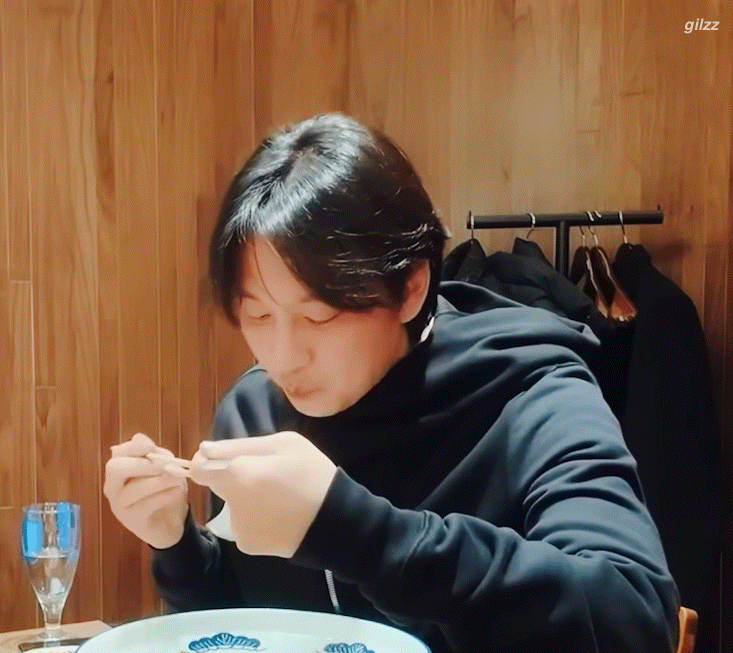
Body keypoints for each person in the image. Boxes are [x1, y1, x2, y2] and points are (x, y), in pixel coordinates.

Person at [104, 113, 679, 653]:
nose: (282, 357)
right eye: (257, 315)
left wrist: (360, 534)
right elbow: (247, 628)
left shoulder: (532, 391)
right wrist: (176, 543)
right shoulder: (254, 410)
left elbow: (633, 615)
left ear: (409, 288)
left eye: (319, 316)